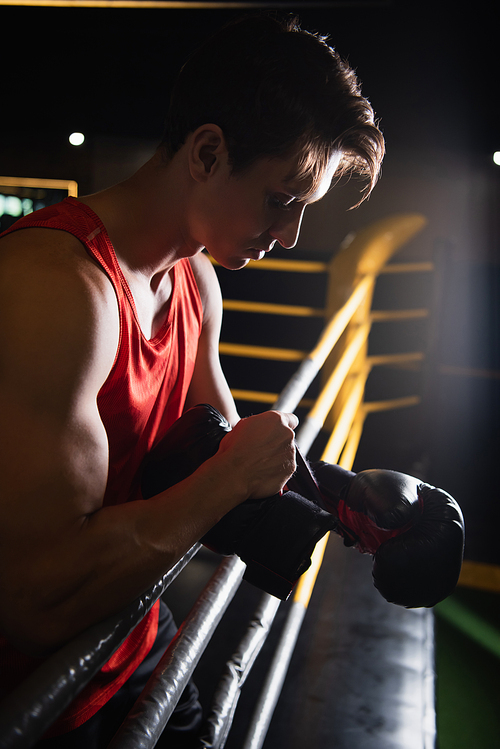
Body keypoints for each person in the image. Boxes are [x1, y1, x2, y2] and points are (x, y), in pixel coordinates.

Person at [0, 13, 384, 747]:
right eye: (282, 199)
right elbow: (35, 598)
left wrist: (353, 504)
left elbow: (220, 463)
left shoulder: (195, 281)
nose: (293, 234)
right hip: (38, 701)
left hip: (135, 641)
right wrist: (228, 479)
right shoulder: (55, 289)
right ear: (207, 152)